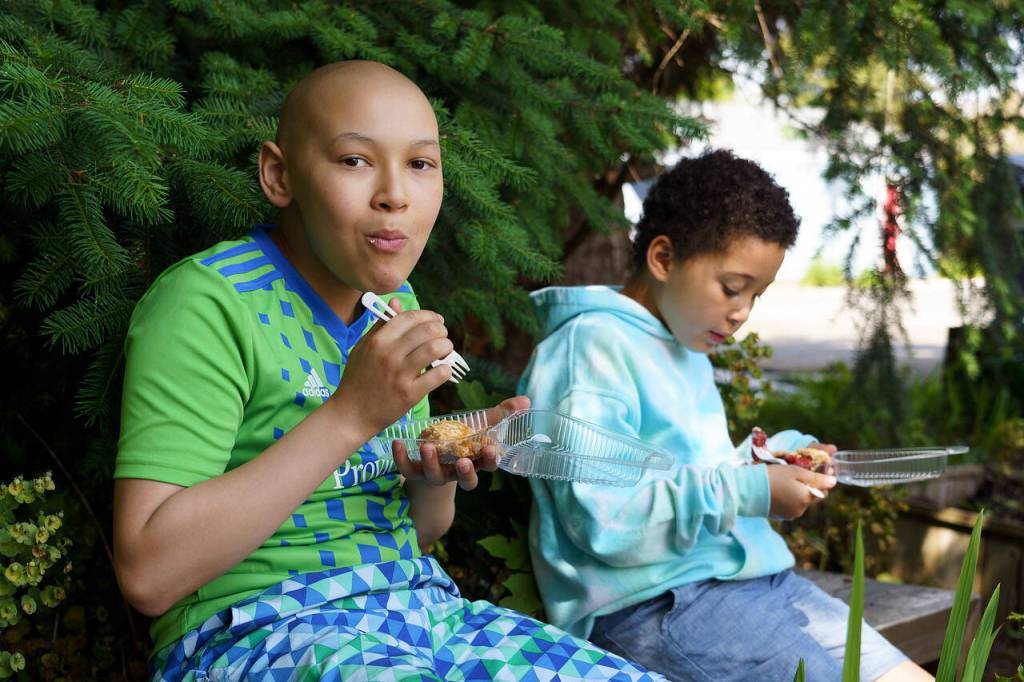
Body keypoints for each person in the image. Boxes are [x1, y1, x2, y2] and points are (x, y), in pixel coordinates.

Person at [113, 60, 660, 681]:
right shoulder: (210, 304)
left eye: (421, 165)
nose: (395, 194)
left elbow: (420, 532)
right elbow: (149, 575)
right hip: (255, 631)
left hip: (419, 611)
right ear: (279, 174)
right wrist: (351, 414)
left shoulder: (394, 310)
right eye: (355, 160)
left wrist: (437, 469)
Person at [518, 150, 933, 681]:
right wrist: (749, 491)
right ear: (663, 259)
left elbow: (691, 474)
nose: (741, 313)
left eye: (755, 295)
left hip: (744, 581)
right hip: (655, 604)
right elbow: (606, 523)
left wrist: (769, 463)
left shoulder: (682, 342)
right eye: (732, 288)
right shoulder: (591, 348)